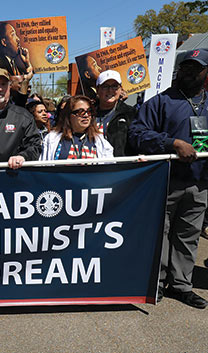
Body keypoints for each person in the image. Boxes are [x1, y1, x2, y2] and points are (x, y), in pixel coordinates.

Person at [128, 49, 208, 309]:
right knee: (159, 235)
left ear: (206, 72)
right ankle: (157, 282)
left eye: (196, 68)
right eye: (185, 67)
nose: (189, 72)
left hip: (200, 183)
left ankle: (182, 285)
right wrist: (172, 143)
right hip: (166, 180)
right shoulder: (161, 101)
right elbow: (137, 133)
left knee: (189, 235)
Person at [41, 95, 113, 160]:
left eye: (89, 111)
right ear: (69, 115)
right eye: (80, 112)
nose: (86, 115)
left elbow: (109, 168)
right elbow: (43, 167)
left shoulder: (100, 140)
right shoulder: (52, 139)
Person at [94, 70, 137, 156]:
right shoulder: (87, 113)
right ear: (97, 89)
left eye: (115, 86)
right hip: (91, 165)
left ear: (121, 89)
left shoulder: (131, 113)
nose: (110, 91)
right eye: (105, 86)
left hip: (119, 167)